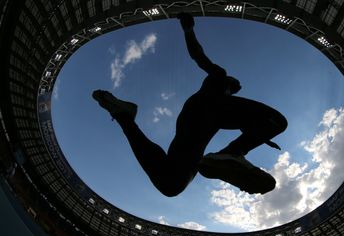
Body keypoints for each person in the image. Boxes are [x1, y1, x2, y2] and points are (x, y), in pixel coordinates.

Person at [92, 13, 288, 197]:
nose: (239, 85)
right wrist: (188, 30)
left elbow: (244, 120)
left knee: (172, 184)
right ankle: (233, 153)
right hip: (205, 106)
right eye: (236, 83)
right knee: (277, 122)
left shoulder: (232, 108)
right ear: (230, 82)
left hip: (194, 128)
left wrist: (259, 135)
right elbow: (198, 56)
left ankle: (124, 116)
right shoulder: (219, 76)